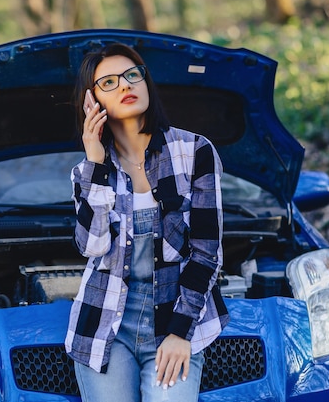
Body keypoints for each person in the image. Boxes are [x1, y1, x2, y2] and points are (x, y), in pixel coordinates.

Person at [65, 42, 229, 402]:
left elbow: (206, 253)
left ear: (146, 82)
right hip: (105, 324)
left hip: (173, 315)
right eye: (108, 83)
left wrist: (179, 332)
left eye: (131, 75)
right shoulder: (86, 173)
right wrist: (95, 161)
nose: (125, 85)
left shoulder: (194, 152)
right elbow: (92, 247)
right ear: (92, 102)